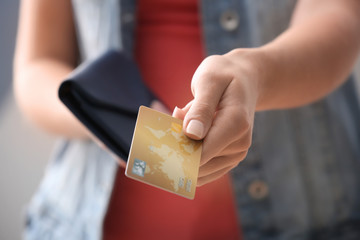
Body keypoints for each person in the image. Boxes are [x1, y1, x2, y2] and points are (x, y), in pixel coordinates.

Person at [14, 0, 360, 239]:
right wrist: (104, 119)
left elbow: (338, 15)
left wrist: (254, 75)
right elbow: (36, 68)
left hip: (305, 224)